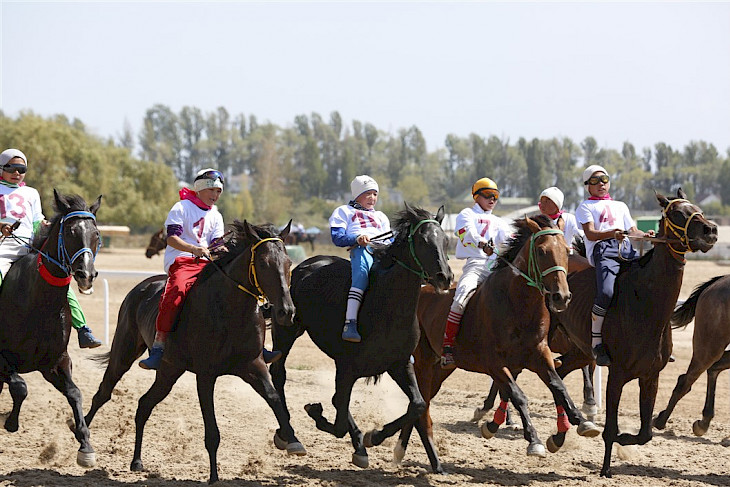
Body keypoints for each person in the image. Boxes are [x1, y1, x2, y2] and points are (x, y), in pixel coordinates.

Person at [139, 168, 280, 369]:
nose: (215, 196)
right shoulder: (181, 208)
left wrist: (222, 248)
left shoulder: (216, 215)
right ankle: (159, 346)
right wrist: (193, 249)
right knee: (176, 292)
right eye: (212, 190)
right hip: (182, 261)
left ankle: (257, 347)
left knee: (238, 289)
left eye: (219, 192)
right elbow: (171, 239)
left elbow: (215, 244)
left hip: (206, 262)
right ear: (200, 189)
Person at [0, 148, 102, 348]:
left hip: (30, 246)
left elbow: (37, 219)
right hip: (3, 247)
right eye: (11, 167)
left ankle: (83, 329)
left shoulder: (31, 193)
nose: (17, 172)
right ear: (1, 168)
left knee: (60, 279)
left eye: (22, 168)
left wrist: (47, 225)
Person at [576, 165, 654, 367]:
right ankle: (596, 342)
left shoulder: (621, 205)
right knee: (607, 293)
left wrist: (645, 236)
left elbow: (633, 231)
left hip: (626, 248)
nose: (601, 184)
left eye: (604, 179)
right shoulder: (585, 207)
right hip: (603, 251)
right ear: (587, 186)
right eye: (594, 181)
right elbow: (591, 234)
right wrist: (612, 234)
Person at [440, 177, 512, 369]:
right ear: (476, 196)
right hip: (476, 264)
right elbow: (466, 233)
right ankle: (447, 347)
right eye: (488, 195)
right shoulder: (466, 214)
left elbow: (511, 240)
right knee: (460, 298)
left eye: (496, 196)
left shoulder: (500, 221)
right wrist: (481, 243)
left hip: (496, 266)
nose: (492, 200)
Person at [329, 175, 390, 342]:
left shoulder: (381, 216)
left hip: (383, 252)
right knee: (362, 272)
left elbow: (390, 241)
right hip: (362, 249)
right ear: (357, 195)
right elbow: (337, 237)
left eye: (375, 194)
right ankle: (351, 322)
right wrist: (357, 239)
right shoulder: (344, 211)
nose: (372, 198)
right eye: (367, 193)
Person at [538, 186, 584, 252]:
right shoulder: (537, 221)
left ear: (557, 205)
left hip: (566, 256)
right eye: (541, 201)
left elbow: (581, 235)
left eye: (547, 202)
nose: (542, 205)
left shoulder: (569, 218)